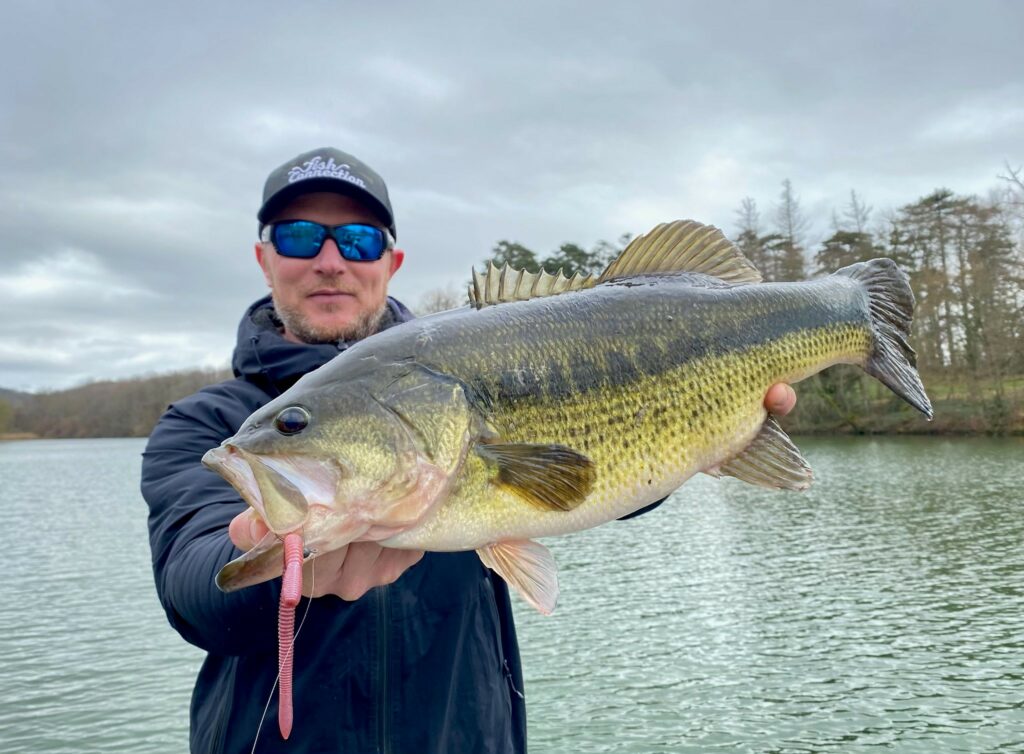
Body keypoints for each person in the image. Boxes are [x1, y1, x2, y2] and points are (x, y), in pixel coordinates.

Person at [142, 147, 797, 754]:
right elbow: (195, 586)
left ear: (391, 262)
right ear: (264, 258)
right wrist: (266, 562)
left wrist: (703, 430)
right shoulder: (207, 425)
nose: (331, 260)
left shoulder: (469, 364)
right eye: (300, 236)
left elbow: (587, 481)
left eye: (361, 239)